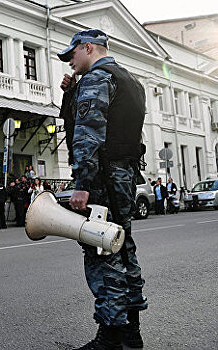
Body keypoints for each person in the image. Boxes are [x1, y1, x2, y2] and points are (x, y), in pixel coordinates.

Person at [59, 29, 148, 348]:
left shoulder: (97, 79)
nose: (70, 62)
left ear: (88, 48)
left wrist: (82, 183)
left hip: (102, 179)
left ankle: (110, 335)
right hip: (123, 176)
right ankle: (131, 333)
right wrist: (71, 95)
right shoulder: (131, 81)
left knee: (102, 250)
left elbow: (88, 134)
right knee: (123, 246)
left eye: (72, 55)